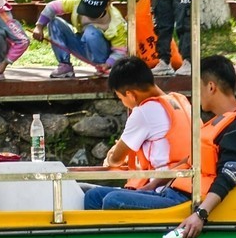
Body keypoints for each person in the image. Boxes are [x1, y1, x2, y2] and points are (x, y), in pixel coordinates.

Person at [85, 56, 236, 238]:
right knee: (94, 196)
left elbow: (229, 175)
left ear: (210, 87)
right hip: (173, 191)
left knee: (112, 200)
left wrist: (200, 215)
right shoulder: (220, 121)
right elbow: (189, 161)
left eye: (197, 87)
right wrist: (154, 184)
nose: (195, 94)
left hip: (185, 200)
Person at [83, 56, 194, 210]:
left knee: (112, 199)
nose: (123, 102)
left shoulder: (144, 112)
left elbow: (115, 159)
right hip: (177, 185)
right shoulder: (180, 101)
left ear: (130, 94)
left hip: (170, 192)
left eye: (120, 97)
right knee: (93, 195)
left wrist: (111, 154)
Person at [32, 0, 128, 78]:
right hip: (81, 43)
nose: (89, 15)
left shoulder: (117, 22)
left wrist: (108, 64)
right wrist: (39, 26)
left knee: (91, 32)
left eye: (94, 11)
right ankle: (65, 66)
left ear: (107, 5)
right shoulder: (76, 2)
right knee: (54, 22)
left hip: (101, 53)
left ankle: (101, 66)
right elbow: (52, 7)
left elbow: (120, 51)